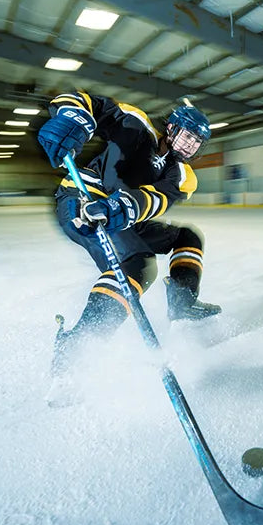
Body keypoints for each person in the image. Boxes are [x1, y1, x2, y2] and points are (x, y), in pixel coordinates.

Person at [37, 90, 221, 385]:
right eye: (187, 135)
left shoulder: (184, 176)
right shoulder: (137, 127)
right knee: (139, 264)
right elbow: (92, 104)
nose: (191, 144)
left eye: (197, 141)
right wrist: (72, 116)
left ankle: (183, 302)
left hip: (121, 215)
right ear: (171, 128)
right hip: (82, 201)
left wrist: (123, 206)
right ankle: (77, 346)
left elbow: (156, 199)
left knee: (186, 236)